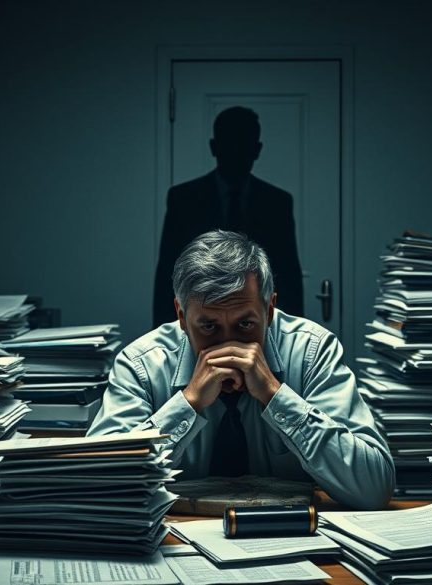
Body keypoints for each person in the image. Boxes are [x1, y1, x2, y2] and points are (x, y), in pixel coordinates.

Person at [90, 230, 394, 510]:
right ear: (182, 317)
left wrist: (275, 395)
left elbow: (374, 489)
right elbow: (99, 487)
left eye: (245, 324)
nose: (228, 345)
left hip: (289, 539)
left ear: (270, 310)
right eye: (209, 326)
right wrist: (189, 402)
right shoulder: (142, 363)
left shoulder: (312, 352)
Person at [152, 106, 303, 328]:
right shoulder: (184, 199)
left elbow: (288, 275)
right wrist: (163, 333)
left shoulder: (276, 202)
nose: (236, 152)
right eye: (230, 144)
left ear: (257, 149)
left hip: (258, 324)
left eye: (244, 145)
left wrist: (292, 330)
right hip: (199, 320)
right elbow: (169, 271)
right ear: (215, 147)